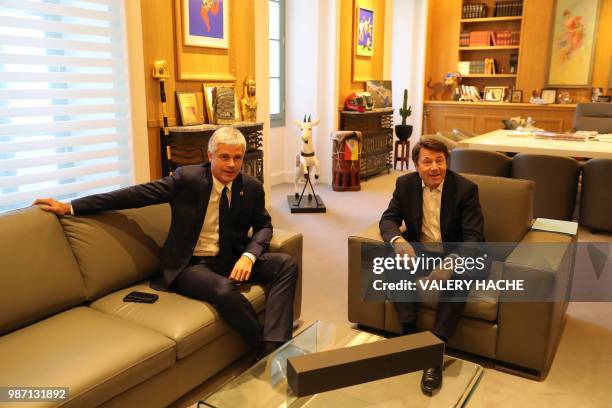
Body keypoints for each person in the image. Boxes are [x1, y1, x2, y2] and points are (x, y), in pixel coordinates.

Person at [34, 127, 298, 359]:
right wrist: (71, 206)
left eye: (237, 158)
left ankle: (275, 340)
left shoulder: (250, 187)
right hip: (190, 265)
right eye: (224, 157)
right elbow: (134, 195)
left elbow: (264, 225)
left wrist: (249, 256)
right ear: (210, 156)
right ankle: (267, 349)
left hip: (232, 258)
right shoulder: (188, 179)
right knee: (224, 290)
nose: (231, 164)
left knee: (285, 264)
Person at [379, 139, 484, 395]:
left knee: (461, 273)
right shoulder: (405, 185)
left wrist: (451, 262)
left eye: (440, 161)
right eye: (427, 162)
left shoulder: (465, 189)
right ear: (416, 166)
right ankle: (410, 336)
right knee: (393, 259)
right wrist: (398, 240)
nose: (435, 167)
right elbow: (388, 219)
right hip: (422, 250)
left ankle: (435, 352)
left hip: (457, 252)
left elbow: (474, 238)